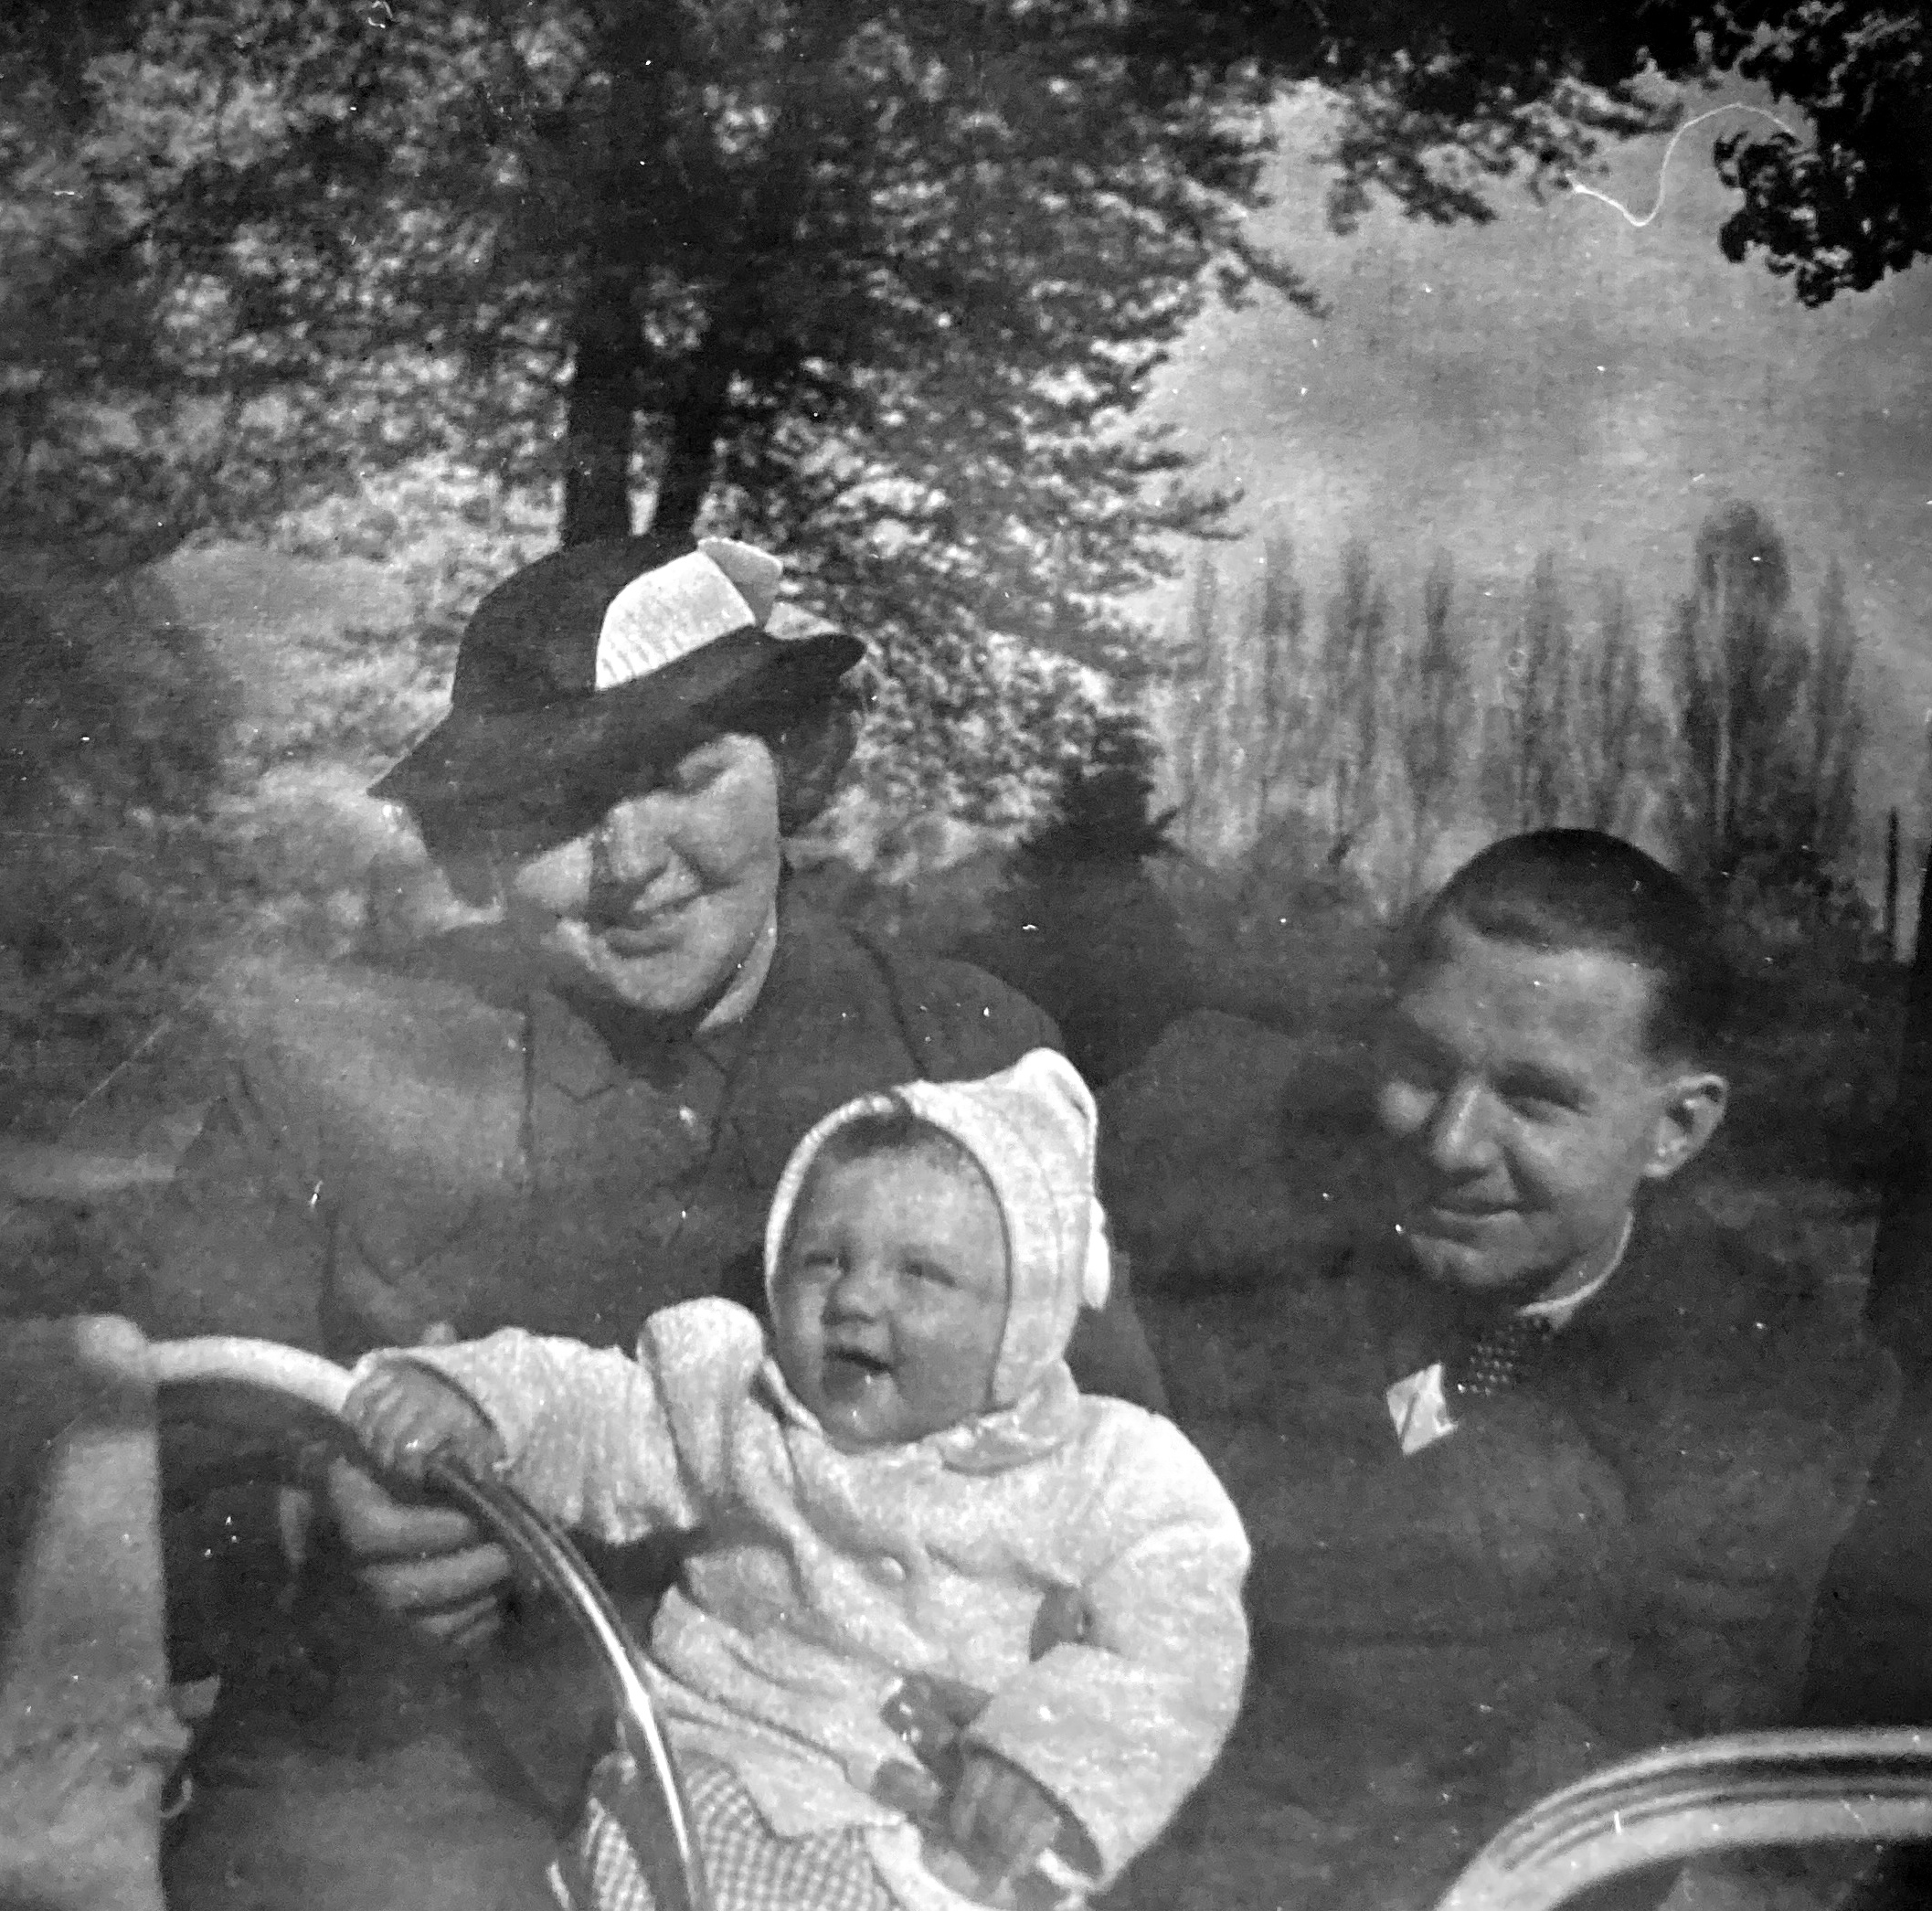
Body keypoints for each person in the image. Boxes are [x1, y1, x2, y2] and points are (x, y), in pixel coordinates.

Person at [130, 536, 1166, 1907]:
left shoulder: (969, 1056)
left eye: (684, 776)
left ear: (789, 764)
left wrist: (1026, 1710)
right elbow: (131, 1481)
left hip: (831, 1790)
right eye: (557, 810)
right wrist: (306, 1528)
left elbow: (1123, 1489)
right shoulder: (331, 1064)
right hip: (407, 1800)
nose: (629, 863)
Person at [343, 1049, 1249, 1911]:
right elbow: (594, 1406)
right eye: (823, 1260)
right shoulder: (741, 1402)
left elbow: (1179, 1641)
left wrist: (1050, 1754)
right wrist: (477, 1398)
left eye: (921, 1274)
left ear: (1025, 1317)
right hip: (712, 1784)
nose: (854, 1298)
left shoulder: (1102, 1469)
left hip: (934, 1841)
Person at [1181, 829, 1896, 1911]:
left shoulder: (1777, 1394)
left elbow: (1611, 1781)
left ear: (1676, 1128)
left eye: (1533, 1099)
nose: (1450, 1144)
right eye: (1421, 1069)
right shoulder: (1255, 1251)